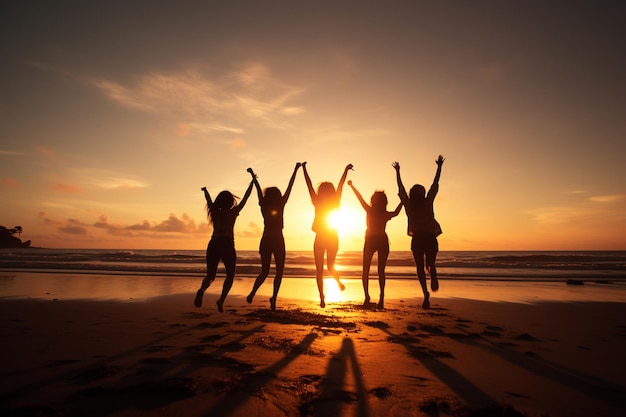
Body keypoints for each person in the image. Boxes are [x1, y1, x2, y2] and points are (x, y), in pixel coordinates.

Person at [194, 169, 255, 312]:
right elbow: (246, 198)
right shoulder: (233, 212)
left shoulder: (215, 212)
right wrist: (252, 182)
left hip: (214, 243)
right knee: (230, 275)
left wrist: (205, 192)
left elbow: (209, 202)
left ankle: (202, 290)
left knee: (210, 276)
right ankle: (221, 300)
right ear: (230, 202)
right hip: (227, 244)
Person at [246, 163, 301, 310]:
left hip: (266, 239)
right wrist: (295, 170)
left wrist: (253, 176)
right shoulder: (281, 203)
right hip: (277, 239)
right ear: (278, 195)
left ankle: (253, 292)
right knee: (279, 272)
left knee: (264, 272)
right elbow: (290, 186)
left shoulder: (263, 204)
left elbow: (258, 190)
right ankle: (274, 298)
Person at [393, 155, 445, 309]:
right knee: (429, 265)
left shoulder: (408, 205)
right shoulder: (428, 202)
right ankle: (433, 271)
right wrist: (439, 167)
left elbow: (400, 189)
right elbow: (435, 185)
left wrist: (397, 172)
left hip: (417, 239)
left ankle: (425, 294)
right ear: (422, 194)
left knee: (419, 268)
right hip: (430, 237)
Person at [302, 162, 353, 308]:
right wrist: (345, 170)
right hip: (332, 236)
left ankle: (322, 297)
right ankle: (338, 282)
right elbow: (341, 184)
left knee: (319, 270)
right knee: (331, 266)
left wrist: (304, 169)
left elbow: (309, 185)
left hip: (321, 238)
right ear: (331, 191)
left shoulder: (317, 201)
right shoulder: (335, 200)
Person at [347, 180, 402, 309]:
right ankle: (378, 297)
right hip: (380, 240)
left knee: (367, 270)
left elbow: (360, 198)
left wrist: (351, 186)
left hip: (372, 240)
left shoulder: (370, 210)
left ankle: (370, 297)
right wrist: (403, 201)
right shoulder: (382, 213)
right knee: (379, 271)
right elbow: (396, 212)